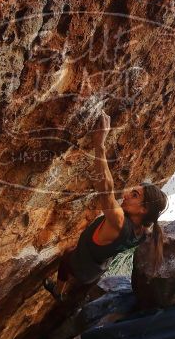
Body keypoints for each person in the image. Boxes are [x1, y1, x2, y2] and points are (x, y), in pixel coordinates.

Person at [44, 111, 167, 302]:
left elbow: (106, 190)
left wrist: (99, 144)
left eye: (134, 195)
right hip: (95, 270)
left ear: (143, 210)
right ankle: (66, 295)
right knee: (72, 260)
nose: (126, 194)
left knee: (66, 258)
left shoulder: (119, 221)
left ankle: (57, 291)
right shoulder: (143, 231)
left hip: (82, 266)